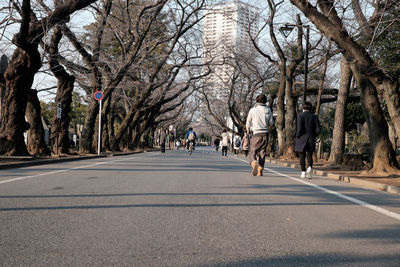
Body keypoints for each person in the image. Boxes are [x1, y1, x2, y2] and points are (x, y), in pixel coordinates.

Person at [246, 93, 274, 176]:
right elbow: (271, 123)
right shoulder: (268, 110)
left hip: (256, 133)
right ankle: (260, 170)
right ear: (265, 101)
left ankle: (254, 163)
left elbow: (248, 122)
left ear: (257, 101)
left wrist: (248, 130)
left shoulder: (253, 110)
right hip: (265, 133)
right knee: (262, 152)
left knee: (252, 151)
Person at [295, 101, 321, 179]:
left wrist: (297, 136)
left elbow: (299, 129)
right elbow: (318, 129)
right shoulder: (314, 117)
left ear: (303, 107)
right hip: (311, 138)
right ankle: (309, 167)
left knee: (302, 156)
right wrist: (314, 135)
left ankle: (303, 171)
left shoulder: (301, 116)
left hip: (302, 138)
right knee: (309, 155)